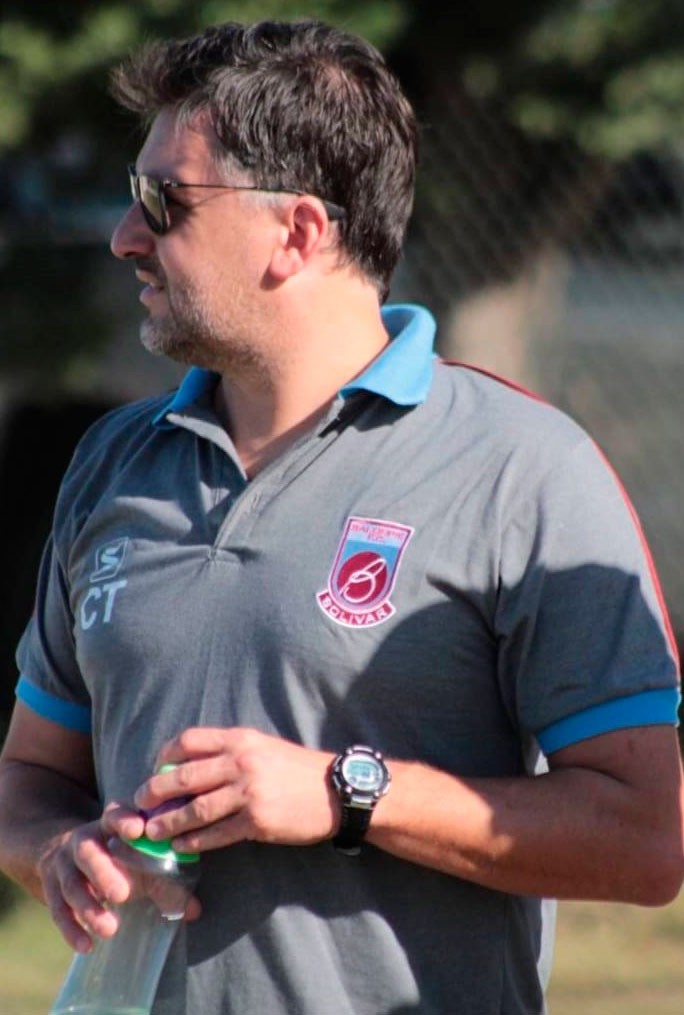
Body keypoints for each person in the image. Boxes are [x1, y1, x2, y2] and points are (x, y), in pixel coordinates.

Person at [0, 18, 682, 1015]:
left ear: (299, 232)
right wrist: (58, 848)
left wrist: (345, 793)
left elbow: (647, 840)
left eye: (164, 201)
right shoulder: (114, 463)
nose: (125, 236)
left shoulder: (522, 469)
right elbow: (28, 774)